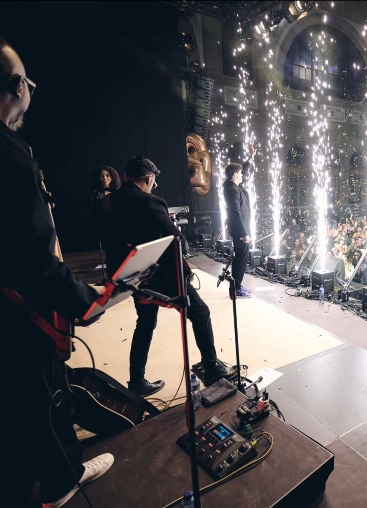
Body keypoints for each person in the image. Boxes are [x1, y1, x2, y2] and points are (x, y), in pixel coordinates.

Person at [0, 38, 113, 507]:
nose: (31, 89)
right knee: (41, 404)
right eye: (27, 81)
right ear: (15, 86)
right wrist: (85, 299)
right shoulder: (11, 156)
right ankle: (61, 480)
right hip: (21, 321)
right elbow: (33, 259)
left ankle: (47, 476)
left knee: (18, 419)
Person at [105, 155, 234, 393]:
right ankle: (212, 368)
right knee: (200, 312)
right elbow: (176, 238)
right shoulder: (151, 202)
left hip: (131, 274)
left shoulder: (108, 202)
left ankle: (136, 381)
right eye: (152, 182)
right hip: (162, 275)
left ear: (125, 177)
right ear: (148, 178)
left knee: (144, 322)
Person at [223, 143, 256, 298]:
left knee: (241, 258)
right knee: (241, 259)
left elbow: (245, 172)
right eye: (240, 173)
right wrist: (244, 233)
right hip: (239, 230)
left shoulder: (234, 186)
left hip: (242, 228)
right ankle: (236, 288)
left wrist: (250, 158)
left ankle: (237, 286)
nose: (243, 175)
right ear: (234, 175)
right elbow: (235, 212)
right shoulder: (231, 189)